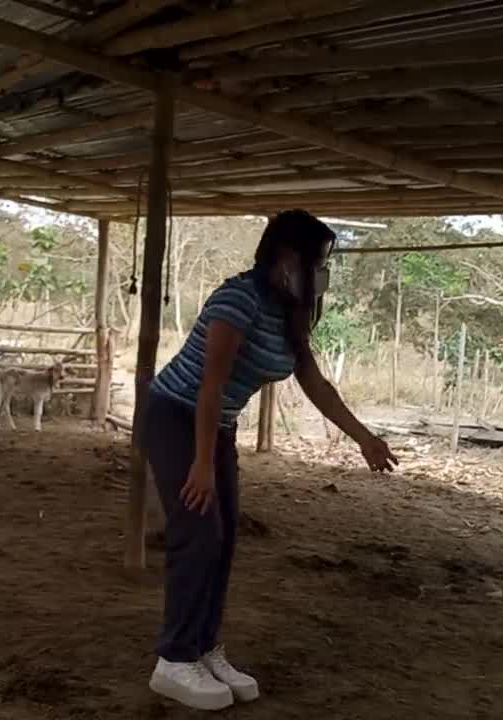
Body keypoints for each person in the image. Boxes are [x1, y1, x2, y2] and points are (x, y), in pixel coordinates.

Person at [137, 209, 398, 711]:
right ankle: (173, 660)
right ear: (285, 257)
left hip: (216, 424)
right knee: (199, 533)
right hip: (176, 415)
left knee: (223, 540)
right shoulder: (239, 299)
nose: (322, 272)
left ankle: (204, 648)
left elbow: (316, 384)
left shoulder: (289, 312)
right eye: (317, 261)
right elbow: (210, 385)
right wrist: (201, 465)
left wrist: (364, 438)